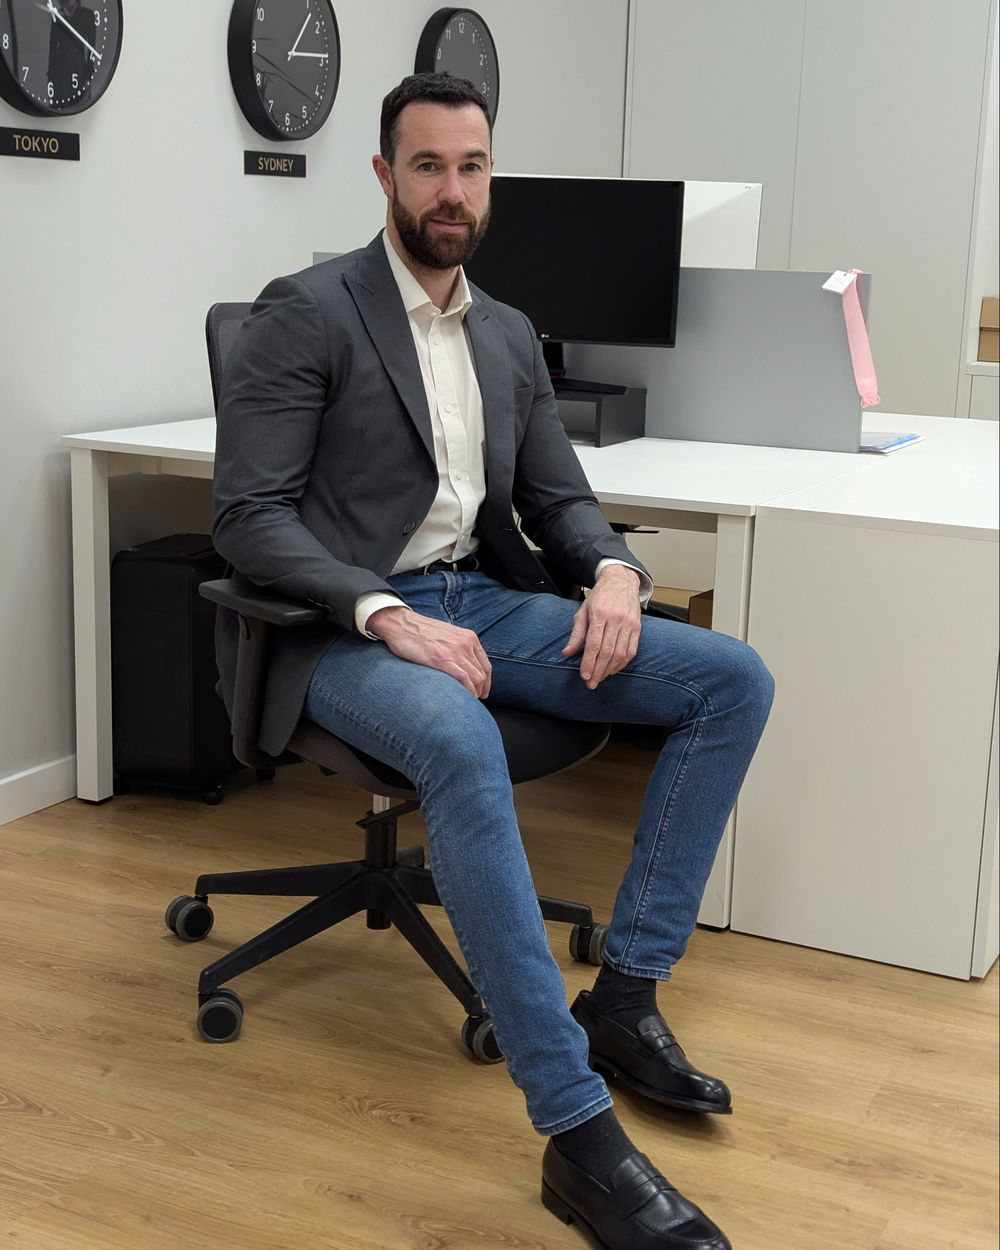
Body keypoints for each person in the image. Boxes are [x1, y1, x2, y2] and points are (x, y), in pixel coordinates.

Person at [213, 71, 774, 1250]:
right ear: (384, 176)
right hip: (337, 631)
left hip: (482, 601)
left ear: (490, 179)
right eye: (427, 165)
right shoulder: (306, 310)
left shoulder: (509, 331)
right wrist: (377, 606)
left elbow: (563, 501)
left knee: (729, 677)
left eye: (470, 167)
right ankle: (577, 1136)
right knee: (460, 739)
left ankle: (622, 997)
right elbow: (249, 515)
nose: (451, 190)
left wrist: (613, 571)